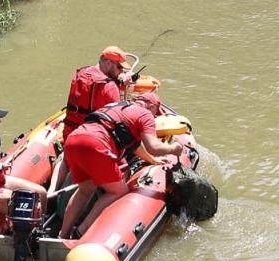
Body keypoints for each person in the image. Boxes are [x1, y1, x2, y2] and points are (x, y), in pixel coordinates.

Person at [57, 73, 190, 239]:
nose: (156, 117)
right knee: (118, 191)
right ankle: (80, 232)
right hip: (95, 145)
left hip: (74, 141)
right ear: (151, 106)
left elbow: (135, 145)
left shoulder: (118, 106)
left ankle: (63, 234)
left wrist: (153, 160)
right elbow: (154, 146)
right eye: (156, 112)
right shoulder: (145, 114)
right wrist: (173, 149)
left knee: (85, 190)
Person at [63, 47, 128, 135]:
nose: (121, 71)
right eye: (119, 67)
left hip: (70, 134)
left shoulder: (80, 74)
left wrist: (118, 82)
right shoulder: (110, 86)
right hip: (93, 137)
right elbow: (118, 119)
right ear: (108, 63)